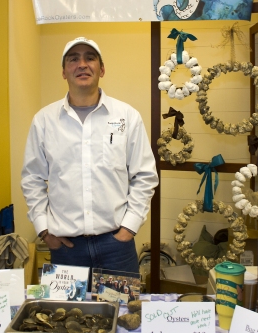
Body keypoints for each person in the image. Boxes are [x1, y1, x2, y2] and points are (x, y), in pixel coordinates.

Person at [21, 37, 159, 274]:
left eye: (90, 58)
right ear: (64, 72)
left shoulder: (128, 116)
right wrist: (44, 230)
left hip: (117, 247)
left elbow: (145, 176)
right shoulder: (44, 121)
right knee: (65, 312)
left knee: (123, 310)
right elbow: (32, 178)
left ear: (102, 69)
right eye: (73, 59)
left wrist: (129, 228)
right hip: (65, 249)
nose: (82, 64)